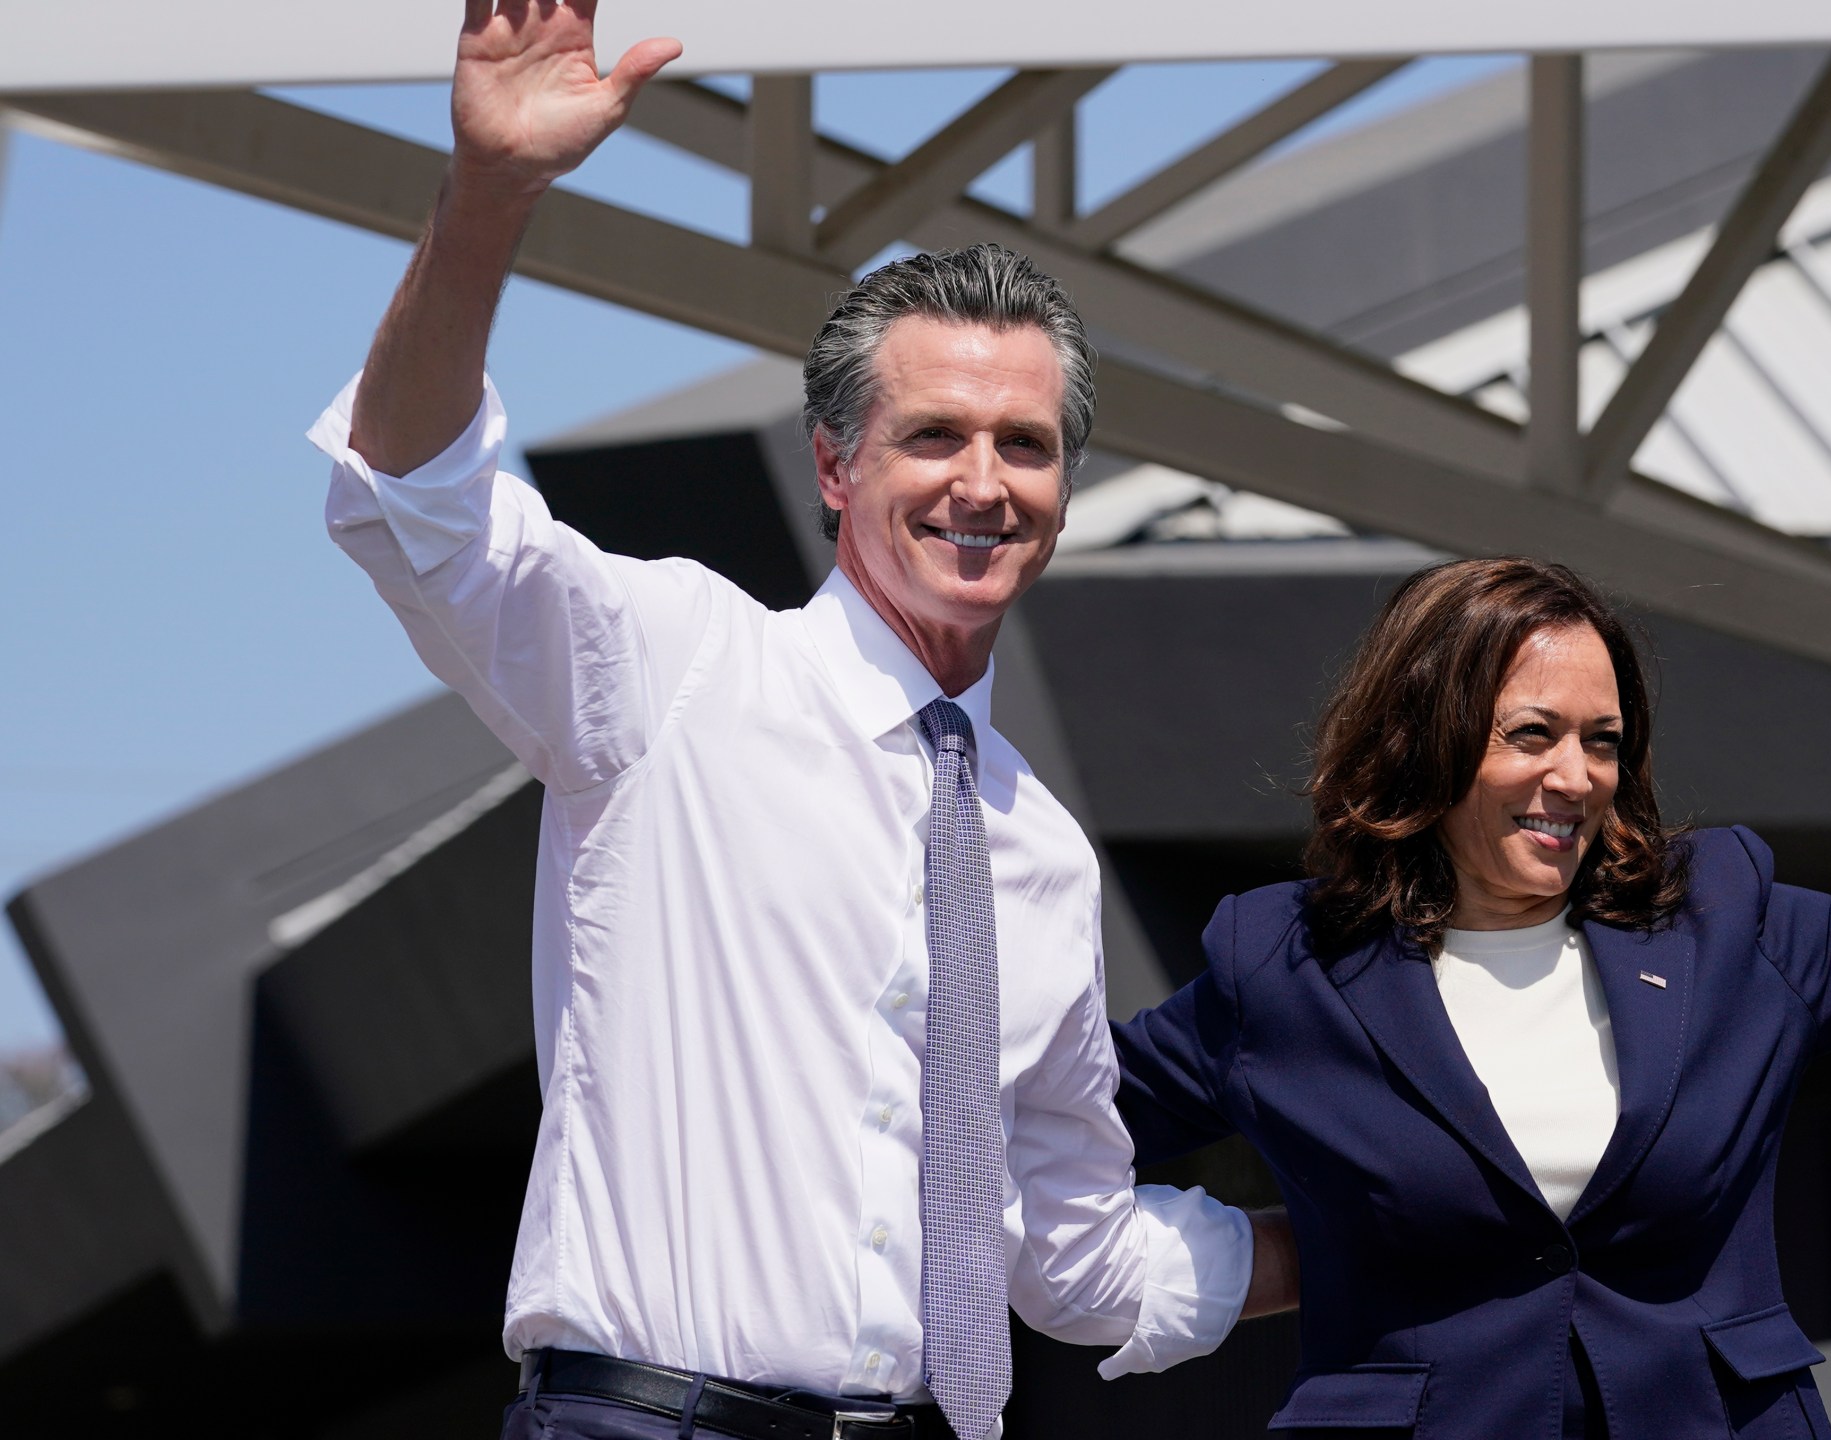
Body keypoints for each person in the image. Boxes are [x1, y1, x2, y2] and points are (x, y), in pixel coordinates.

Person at [310, 5, 1283, 1439]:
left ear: (1065, 493)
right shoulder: (681, 671)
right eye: (932, 435)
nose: (982, 480)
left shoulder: (1041, 854)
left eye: (1026, 445)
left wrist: (1385, 1234)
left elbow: (1073, 1256)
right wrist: (490, 194)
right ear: (835, 466)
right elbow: (415, 511)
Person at [1112, 355, 1831, 1439]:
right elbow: (1045, 1127)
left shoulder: (1722, 925)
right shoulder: (1285, 969)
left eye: (1602, 742)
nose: (1575, 777)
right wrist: (1226, 1265)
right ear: (1427, 745)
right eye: (1530, 735)